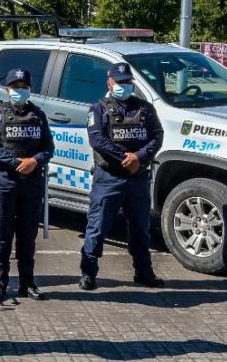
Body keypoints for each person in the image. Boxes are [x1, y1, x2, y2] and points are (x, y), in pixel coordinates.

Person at [80, 63, 165, 291]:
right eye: (119, 82)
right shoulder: (98, 109)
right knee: (97, 227)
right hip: (109, 177)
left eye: (127, 82)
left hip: (138, 178)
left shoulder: (145, 108)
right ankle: (88, 273)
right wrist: (124, 158)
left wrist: (138, 156)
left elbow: (157, 136)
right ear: (109, 83)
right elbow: (97, 140)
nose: (124, 86)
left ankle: (144, 272)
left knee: (140, 228)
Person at [0, 68, 55, 303]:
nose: (20, 91)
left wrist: (34, 161)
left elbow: (48, 147)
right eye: (15, 87)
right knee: (2, 238)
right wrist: (17, 162)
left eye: (24, 87)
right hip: (3, 183)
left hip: (31, 184)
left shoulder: (38, 115)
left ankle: (27, 284)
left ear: (30, 89)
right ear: (7, 90)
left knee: (27, 238)